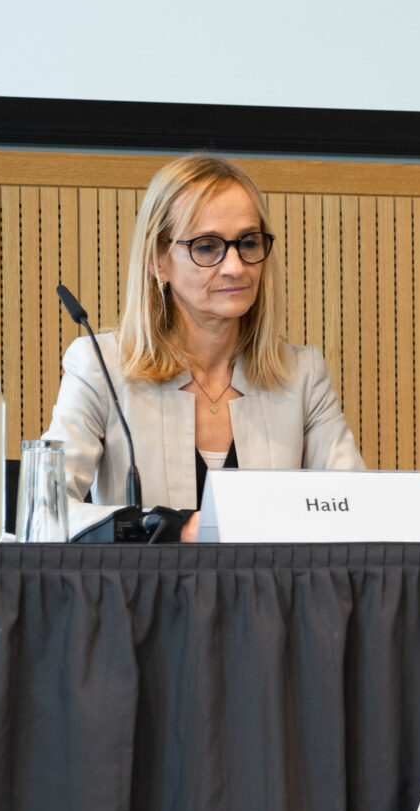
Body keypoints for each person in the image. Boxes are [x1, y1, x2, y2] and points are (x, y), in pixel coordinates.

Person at [45, 153, 363, 539]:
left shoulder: (303, 375)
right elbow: (45, 512)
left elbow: (357, 511)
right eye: (207, 247)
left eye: (248, 242)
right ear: (158, 261)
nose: (235, 267)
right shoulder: (100, 367)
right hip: (147, 581)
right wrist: (169, 529)